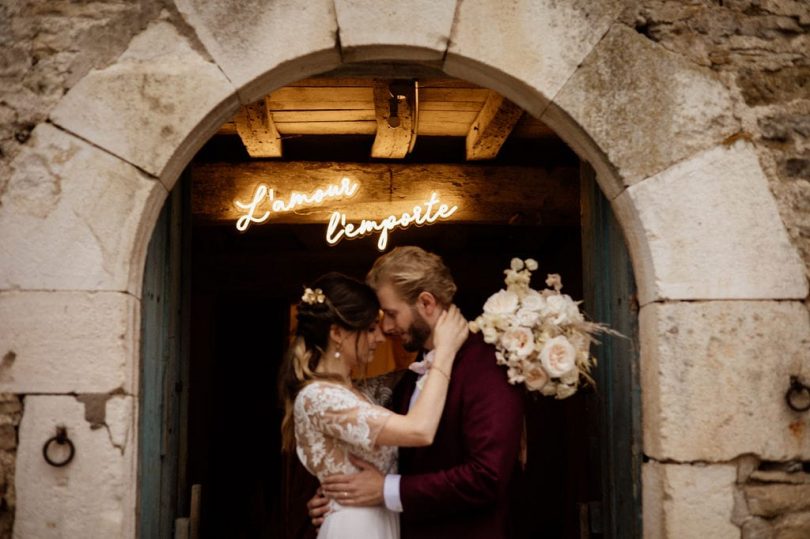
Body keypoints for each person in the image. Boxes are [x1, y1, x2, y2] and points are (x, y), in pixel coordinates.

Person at [309, 247, 526, 539]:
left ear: (426, 302)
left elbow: (487, 477)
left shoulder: (487, 365)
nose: (385, 328)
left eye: (391, 314)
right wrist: (340, 497)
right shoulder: (414, 376)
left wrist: (386, 489)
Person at [279, 272, 469, 539]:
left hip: (376, 522)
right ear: (336, 333)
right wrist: (445, 351)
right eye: (369, 329)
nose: (380, 338)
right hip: (355, 527)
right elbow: (420, 430)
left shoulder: (357, 392)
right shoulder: (318, 396)